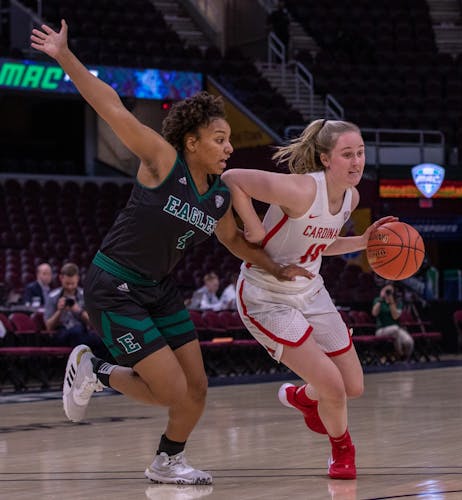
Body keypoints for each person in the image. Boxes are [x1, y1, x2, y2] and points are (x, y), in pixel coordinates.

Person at [31, 20, 312, 485]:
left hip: (158, 290)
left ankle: (167, 462)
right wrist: (63, 55)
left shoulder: (220, 195)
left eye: (229, 139)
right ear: (192, 142)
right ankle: (92, 368)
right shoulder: (162, 160)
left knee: (196, 389)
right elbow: (110, 106)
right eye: (219, 139)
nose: (228, 146)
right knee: (169, 390)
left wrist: (276, 267)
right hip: (114, 285)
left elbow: (233, 241)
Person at [221, 119, 396, 480]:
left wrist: (362, 242)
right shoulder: (300, 190)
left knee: (353, 386)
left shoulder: (351, 196)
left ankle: (303, 397)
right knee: (333, 386)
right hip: (265, 295)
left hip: (311, 290)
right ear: (325, 159)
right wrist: (253, 227)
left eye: (360, 153)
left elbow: (322, 241)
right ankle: (342, 450)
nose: (356, 162)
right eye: (347, 154)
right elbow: (232, 178)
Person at [44, 262, 107, 358]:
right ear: (61, 278)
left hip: (83, 332)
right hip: (61, 333)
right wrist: (59, 311)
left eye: (72, 284)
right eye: (67, 284)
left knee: (103, 340)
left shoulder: (84, 295)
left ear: (77, 278)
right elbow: (49, 327)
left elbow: (93, 323)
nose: (70, 287)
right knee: (76, 331)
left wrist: (78, 310)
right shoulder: (52, 296)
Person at [371, 283, 414, 360]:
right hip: (381, 330)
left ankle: (406, 358)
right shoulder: (378, 300)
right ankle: (400, 355)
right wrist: (381, 299)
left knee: (409, 341)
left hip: (396, 329)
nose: (388, 293)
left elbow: (395, 316)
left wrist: (391, 302)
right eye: (386, 290)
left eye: (390, 291)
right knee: (395, 329)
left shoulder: (397, 302)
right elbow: (374, 313)